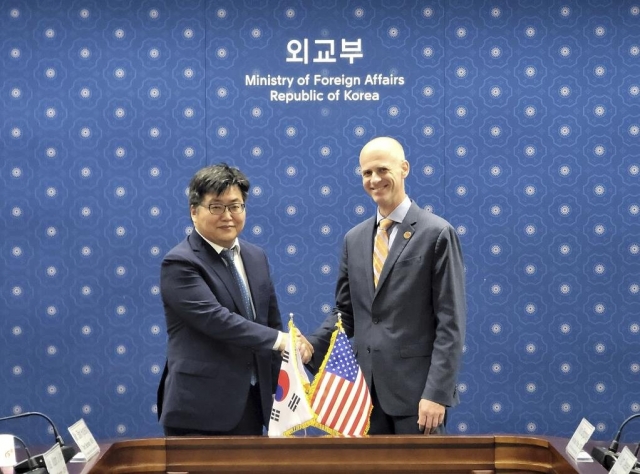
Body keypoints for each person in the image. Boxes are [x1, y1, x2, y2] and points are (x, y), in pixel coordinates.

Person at [307, 137, 466, 435]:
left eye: (382, 169)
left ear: (404, 168)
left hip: (418, 398)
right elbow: (345, 312)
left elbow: (451, 323)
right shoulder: (353, 239)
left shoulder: (437, 234)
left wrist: (437, 394)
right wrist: (309, 346)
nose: (375, 179)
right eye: (367, 173)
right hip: (363, 398)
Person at [157, 163, 296, 436]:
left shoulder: (256, 257)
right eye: (216, 207)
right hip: (200, 411)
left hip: (255, 404)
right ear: (194, 212)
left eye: (236, 206)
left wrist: (291, 368)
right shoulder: (180, 262)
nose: (228, 216)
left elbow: (271, 323)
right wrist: (282, 341)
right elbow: (217, 320)